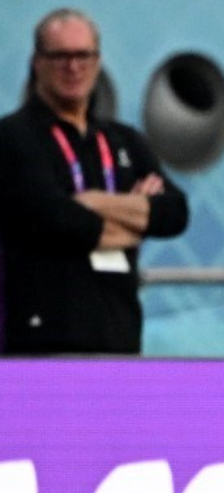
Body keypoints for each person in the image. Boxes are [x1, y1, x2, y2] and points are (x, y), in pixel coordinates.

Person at [0, 8, 188, 355]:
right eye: (60, 56)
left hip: (119, 332)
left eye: (83, 55)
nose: (73, 67)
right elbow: (57, 218)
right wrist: (137, 219)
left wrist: (91, 202)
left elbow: (175, 213)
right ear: (37, 62)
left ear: (98, 61)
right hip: (43, 337)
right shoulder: (14, 137)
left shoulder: (124, 139)